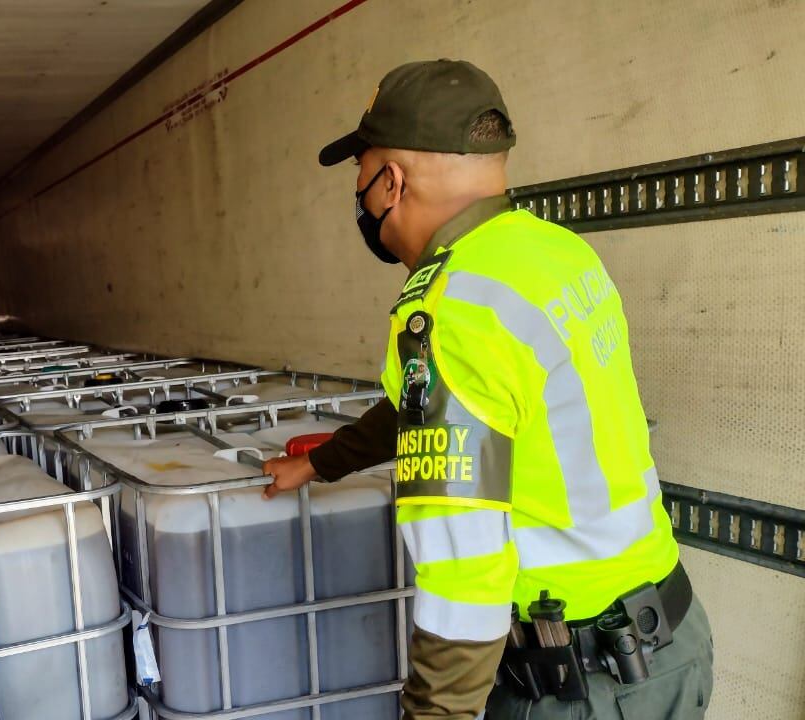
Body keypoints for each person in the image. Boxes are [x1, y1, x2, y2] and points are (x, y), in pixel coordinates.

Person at [261, 59, 714, 719]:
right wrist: (320, 461)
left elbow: (463, 578)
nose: (358, 195)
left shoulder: (450, 312)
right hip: (673, 644)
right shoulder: (556, 253)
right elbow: (456, 407)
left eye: (359, 176)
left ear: (391, 181)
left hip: (581, 687)